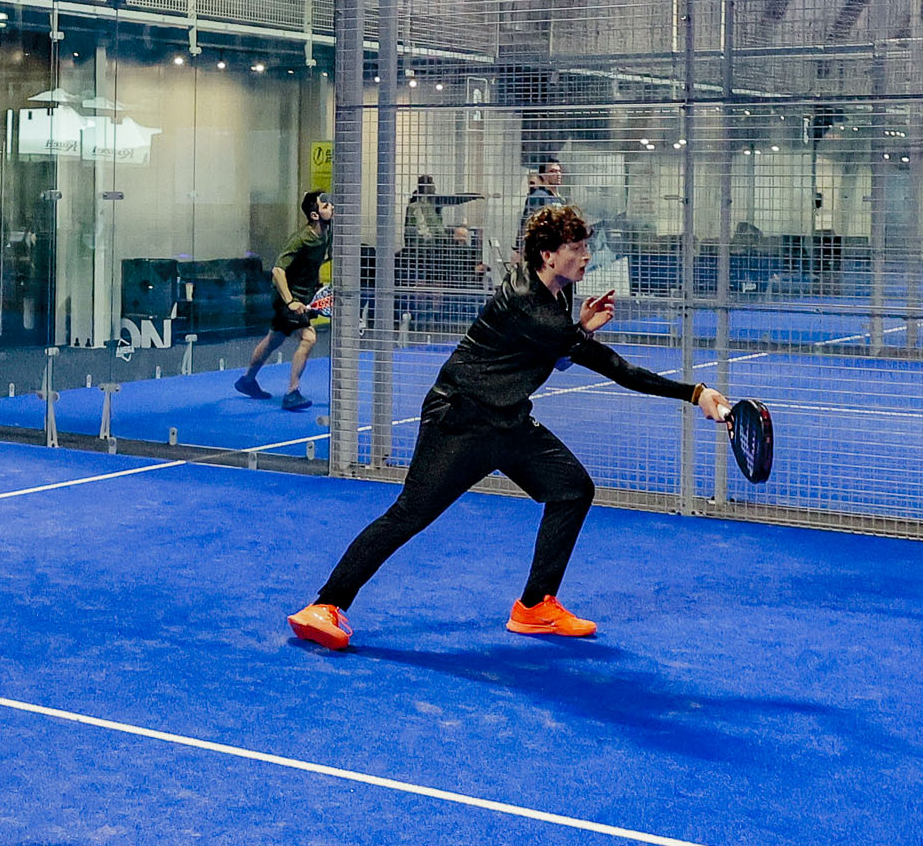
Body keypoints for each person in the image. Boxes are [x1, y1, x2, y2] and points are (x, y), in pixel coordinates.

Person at [287, 203, 731, 650]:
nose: (586, 256)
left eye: (586, 246)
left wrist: (578, 331)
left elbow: (554, 355)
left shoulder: (557, 292)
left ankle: (535, 606)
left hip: (507, 419)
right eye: (576, 248)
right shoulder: (529, 305)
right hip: (459, 420)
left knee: (572, 489)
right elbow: (617, 369)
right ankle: (324, 605)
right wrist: (695, 393)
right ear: (548, 255)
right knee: (408, 516)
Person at [235, 191, 333, 412]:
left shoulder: (326, 233)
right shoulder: (301, 239)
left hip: (304, 296)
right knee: (308, 337)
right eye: (326, 205)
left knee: (275, 338)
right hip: (286, 297)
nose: (332, 207)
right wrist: (290, 302)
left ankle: (247, 381)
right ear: (315, 215)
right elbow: (278, 271)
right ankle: (292, 392)